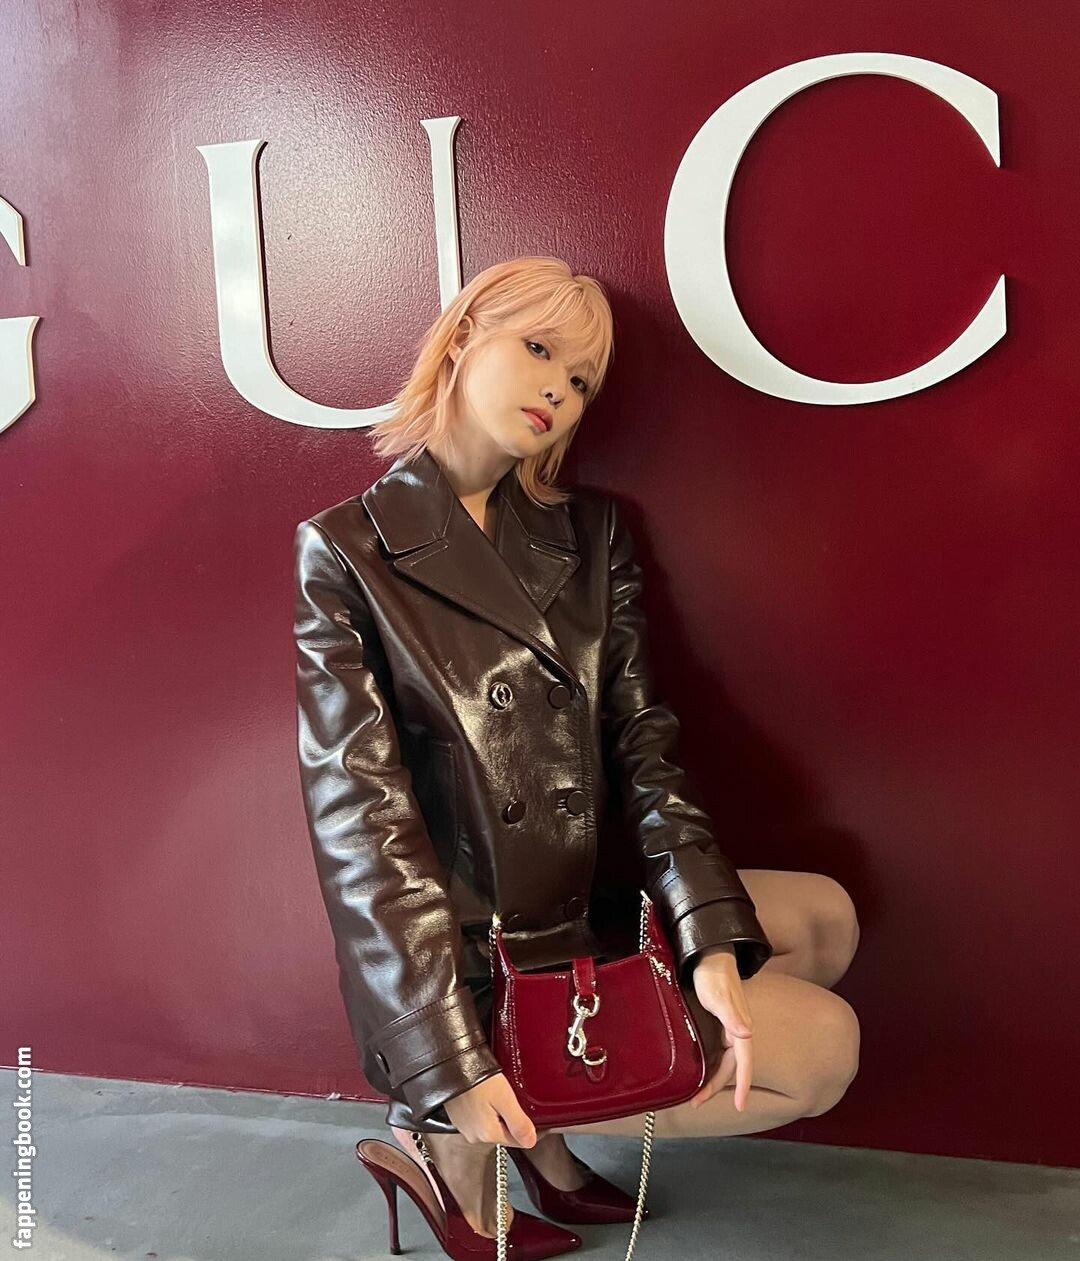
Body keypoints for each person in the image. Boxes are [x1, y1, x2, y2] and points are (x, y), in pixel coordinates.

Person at [293, 256, 861, 1254]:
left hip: (576, 905)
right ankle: (454, 1127)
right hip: (474, 954)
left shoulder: (587, 533)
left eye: (583, 377)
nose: (559, 387)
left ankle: (537, 1127)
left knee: (824, 918)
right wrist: (446, 1058)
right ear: (462, 338)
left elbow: (647, 750)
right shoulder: (348, 551)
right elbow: (361, 831)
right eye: (539, 348)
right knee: (823, 1051)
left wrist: (706, 940)